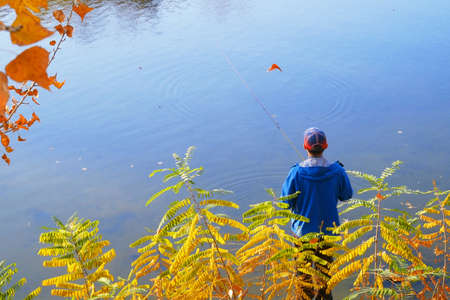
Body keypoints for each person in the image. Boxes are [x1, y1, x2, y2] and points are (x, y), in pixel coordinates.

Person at [281, 127, 353, 299]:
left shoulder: (296, 172)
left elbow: (285, 202)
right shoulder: (337, 170)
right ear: (325, 146)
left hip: (303, 235)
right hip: (328, 234)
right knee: (325, 279)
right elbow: (347, 195)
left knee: (303, 280)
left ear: (305, 147)